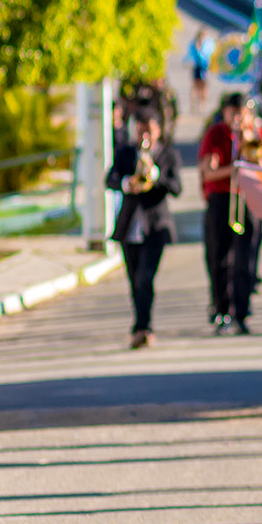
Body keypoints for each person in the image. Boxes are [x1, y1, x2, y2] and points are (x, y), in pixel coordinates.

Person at [105, 108, 186, 349]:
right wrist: (126, 183)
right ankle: (141, 324)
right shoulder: (125, 153)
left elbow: (177, 188)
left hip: (156, 227)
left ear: (158, 130)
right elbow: (109, 179)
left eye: (148, 131)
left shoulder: (168, 154)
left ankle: (143, 327)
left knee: (145, 277)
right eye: (140, 131)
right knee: (134, 280)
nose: (144, 136)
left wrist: (156, 175)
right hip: (129, 226)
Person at [198, 92, 262, 333]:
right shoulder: (215, 134)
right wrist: (233, 170)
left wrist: (249, 144)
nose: (237, 118)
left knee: (245, 259)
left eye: (242, 113)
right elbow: (208, 171)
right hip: (221, 199)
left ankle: (242, 313)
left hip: (247, 199)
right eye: (233, 113)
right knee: (219, 258)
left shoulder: (254, 133)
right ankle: (221, 310)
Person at [188, 28, 215, 110]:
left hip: (205, 67)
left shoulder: (208, 43)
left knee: (204, 86)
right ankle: (194, 103)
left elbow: (210, 54)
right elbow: (191, 55)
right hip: (197, 66)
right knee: (195, 85)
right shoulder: (194, 43)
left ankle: (202, 103)